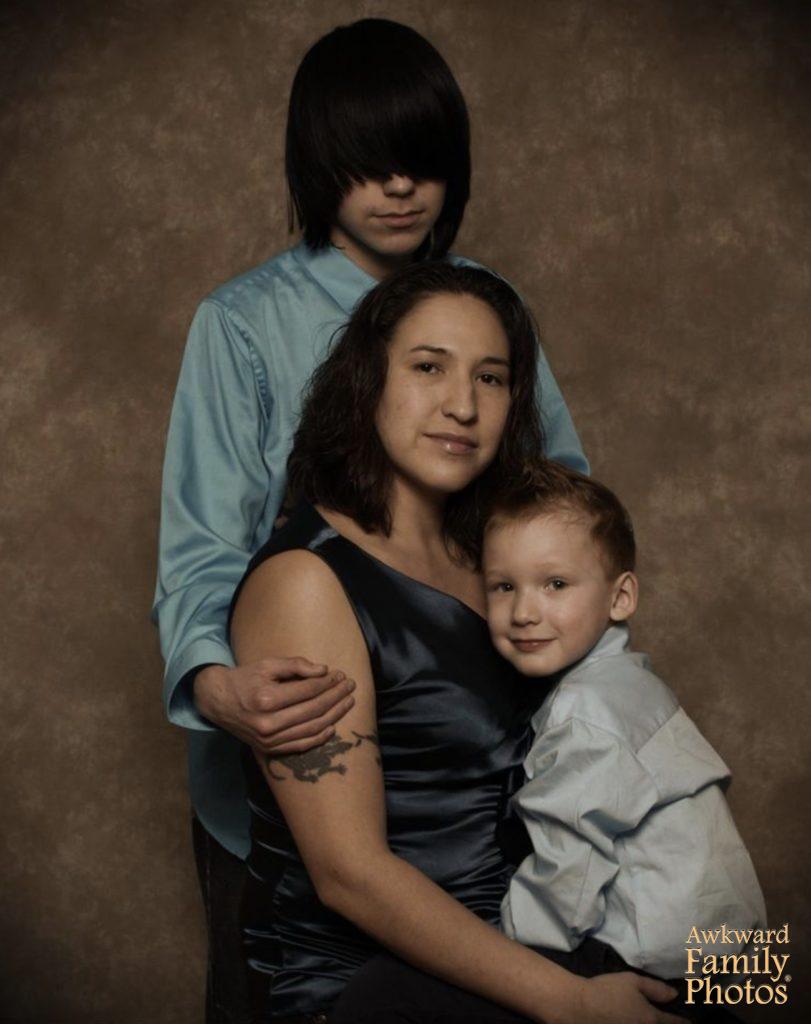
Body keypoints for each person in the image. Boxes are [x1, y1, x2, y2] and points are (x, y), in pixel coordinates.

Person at [152, 18, 587, 1021]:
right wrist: (220, 688)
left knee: (704, 970)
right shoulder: (244, 322)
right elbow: (202, 548)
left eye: (421, 163)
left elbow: (557, 503)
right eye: (368, 163)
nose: (398, 188)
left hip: (480, 770)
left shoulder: (489, 302)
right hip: (302, 771)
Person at [230, 261, 681, 1024]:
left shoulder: (502, 563)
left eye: (491, 378)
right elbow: (348, 875)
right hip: (378, 988)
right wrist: (572, 1003)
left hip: (543, 940)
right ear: (367, 381)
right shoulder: (305, 582)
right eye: (428, 367)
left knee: (748, 978)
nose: (462, 405)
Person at [480, 460, 767, 1020]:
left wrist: (507, 952)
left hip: (650, 962)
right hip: (721, 957)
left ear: (620, 598)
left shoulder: (586, 710)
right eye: (504, 586)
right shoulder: (632, 682)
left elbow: (569, 866)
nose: (523, 612)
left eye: (555, 584)